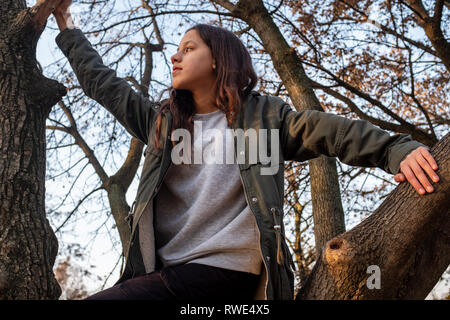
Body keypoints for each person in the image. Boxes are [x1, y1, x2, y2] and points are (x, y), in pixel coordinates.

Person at [52, 1, 440, 300]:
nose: (176, 56)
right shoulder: (162, 124)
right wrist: (66, 23)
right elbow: (101, 83)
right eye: (178, 50)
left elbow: (334, 132)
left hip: (231, 275)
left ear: (219, 59)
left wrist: (397, 149)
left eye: (188, 48)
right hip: (169, 276)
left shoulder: (266, 118)